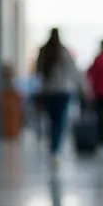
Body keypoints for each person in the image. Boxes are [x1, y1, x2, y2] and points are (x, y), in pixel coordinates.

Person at [35, 28, 83, 162]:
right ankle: (55, 149)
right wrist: (82, 86)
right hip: (62, 91)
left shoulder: (43, 51)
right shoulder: (64, 51)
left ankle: (53, 147)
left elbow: (37, 70)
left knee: (52, 121)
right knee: (59, 121)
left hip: (48, 91)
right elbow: (73, 70)